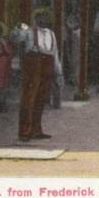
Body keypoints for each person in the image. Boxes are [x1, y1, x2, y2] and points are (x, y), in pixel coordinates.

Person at [10, 9, 62, 141]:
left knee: (41, 98)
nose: (42, 19)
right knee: (29, 98)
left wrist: (58, 71)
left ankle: (36, 131)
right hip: (33, 65)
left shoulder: (51, 34)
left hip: (47, 65)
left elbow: (55, 53)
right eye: (39, 17)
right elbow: (14, 38)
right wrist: (17, 28)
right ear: (35, 19)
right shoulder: (28, 32)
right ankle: (24, 132)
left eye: (45, 17)